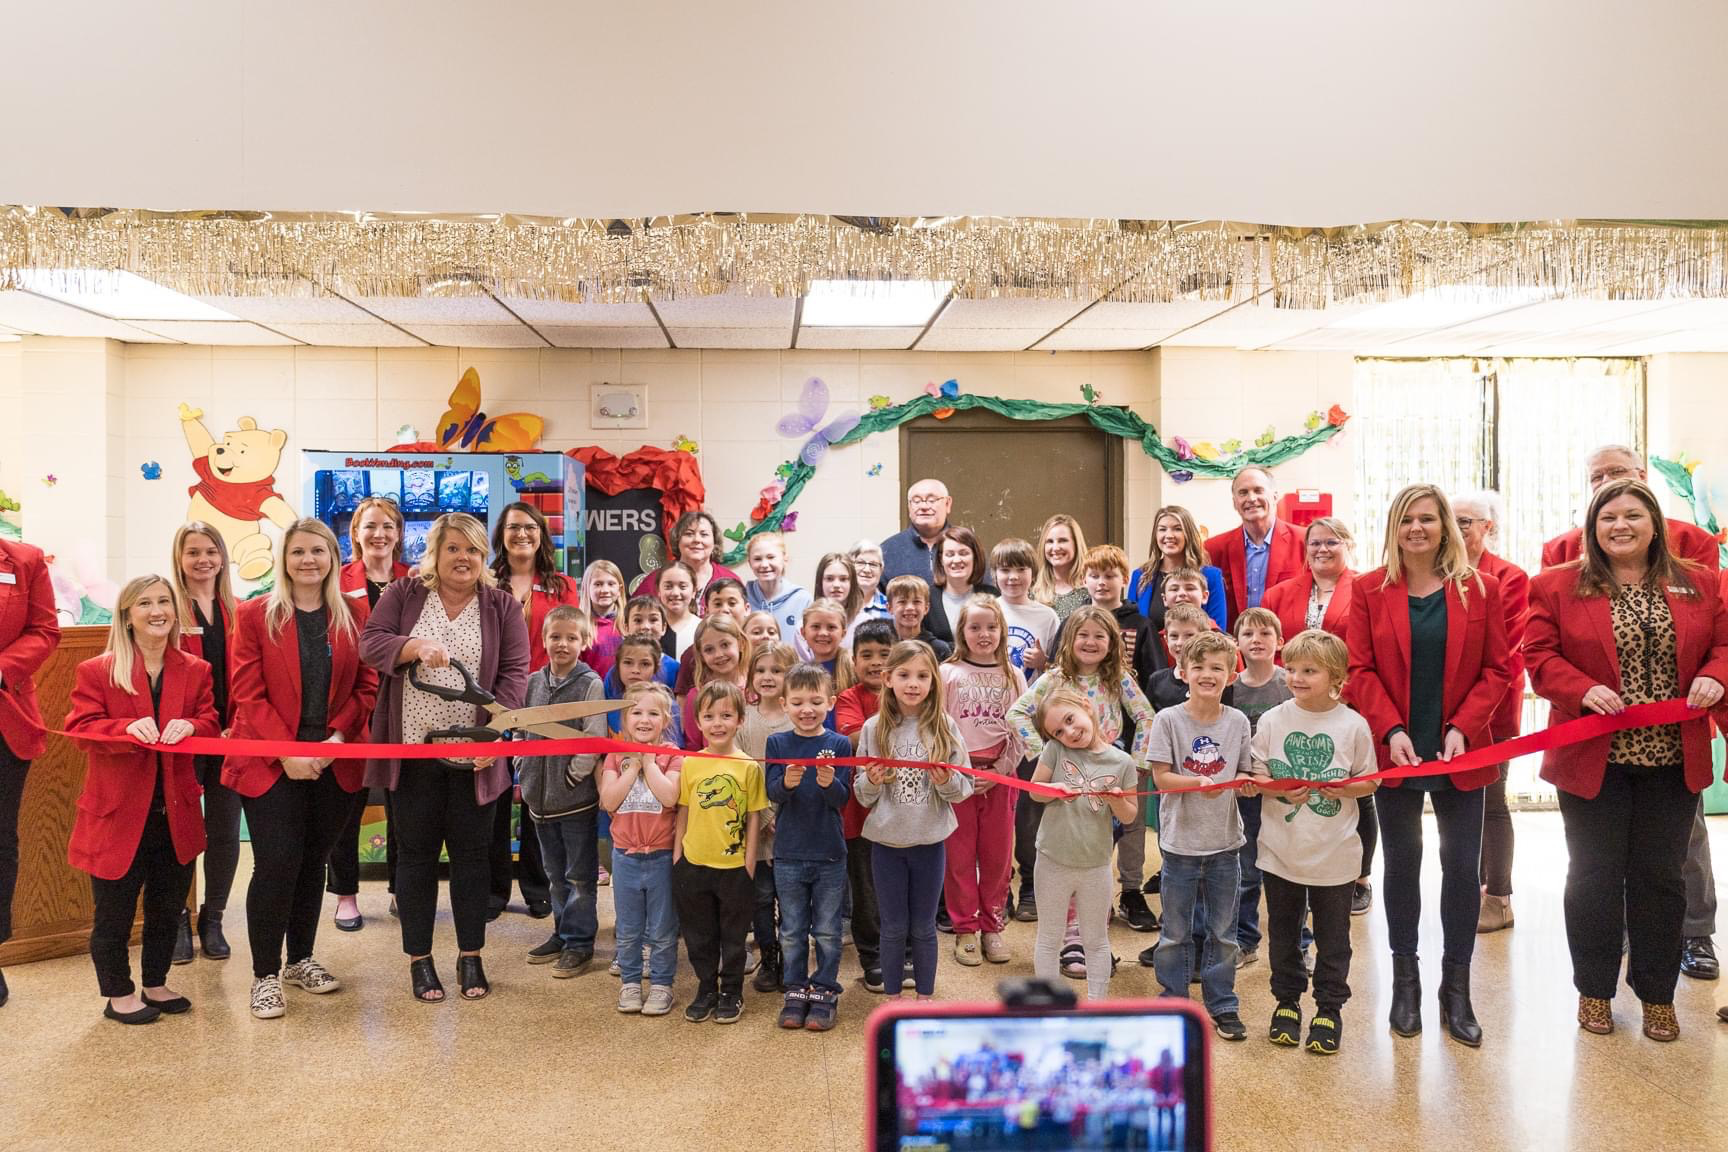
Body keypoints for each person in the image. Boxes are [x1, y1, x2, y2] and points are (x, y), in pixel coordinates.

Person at [1524, 478, 1728, 1041]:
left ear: (1655, 523)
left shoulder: (1700, 583)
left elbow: (1724, 646)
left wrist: (1714, 675)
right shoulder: (1557, 586)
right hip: (1594, 762)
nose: (1621, 526)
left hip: (1672, 760)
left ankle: (1658, 994)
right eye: (1608, 517)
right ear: (1592, 527)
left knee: (1660, 879)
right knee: (1593, 876)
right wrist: (1582, 689)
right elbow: (1538, 657)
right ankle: (1594, 991)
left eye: (1633, 515)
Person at [1345, 483, 1511, 1048]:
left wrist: (1464, 725)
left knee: (1463, 868)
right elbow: (1360, 670)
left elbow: (1499, 670)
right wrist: (1389, 730)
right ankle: (1406, 981)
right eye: (1406, 520)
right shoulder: (1369, 589)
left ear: (1445, 526)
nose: (1417, 528)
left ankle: (1457, 987)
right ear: (1393, 528)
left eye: (1427, 519)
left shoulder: (1478, 589)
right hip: (1398, 755)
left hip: (1461, 752)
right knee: (1403, 864)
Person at [361, 511, 530, 1004]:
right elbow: (370, 644)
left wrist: (494, 738)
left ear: (485, 558)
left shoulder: (501, 606)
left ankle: (470, 954)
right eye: (454, 548)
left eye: (474, 550)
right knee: (414, 858)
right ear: (434, 552)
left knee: (473, 858)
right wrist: (412, 646)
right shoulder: (404, 594)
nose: (464, 558)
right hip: (413, 751)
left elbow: (515, 676)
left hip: (475, 757)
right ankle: (419, 960)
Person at [226, 520, 378, 1019]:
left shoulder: (355, 614)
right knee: (276, 863)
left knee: (314, 860)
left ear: (333, 558)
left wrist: (335, 740)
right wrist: (288, 752)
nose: (308, 560)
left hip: (335, 758)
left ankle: (301, 959)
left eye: (318, 551)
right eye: (297, 551)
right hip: (273, 761)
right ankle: (264, 975)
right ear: (283, 558)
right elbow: (247, 694)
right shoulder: (254, 616)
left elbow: (367, 685)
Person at [64, 575, 219, 1024]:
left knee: (167, 908)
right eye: (145, 603)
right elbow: (81, 729)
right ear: (128, 615)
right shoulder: (97, 670)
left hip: (175, 812)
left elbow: (210, 720)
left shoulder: (196, 670)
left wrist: (192, 727)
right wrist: (123, 730)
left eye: (164, 601)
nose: (157, 611)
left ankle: (155, 982)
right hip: (116, 816)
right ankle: (117, 993)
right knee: (113, 913)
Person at [1249, 628, 1378, 1055]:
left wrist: (1349, 789)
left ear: (1337, 677)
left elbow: (1371, 780)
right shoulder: (1272, 719)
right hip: (1280, 851)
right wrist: (1279, 789)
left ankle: (1329, 1007)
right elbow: (1257, 775)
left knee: (1333, 936)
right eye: (1292, 669)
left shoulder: (1352, 725)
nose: (1297, 677)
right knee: (1284, 933)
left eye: (1310, 670)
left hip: (1336, 855)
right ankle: (1286, 1001)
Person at [1008, 606, 1155, 968]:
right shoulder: (1055, 678)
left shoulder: (1118, 677)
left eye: (1099, 636)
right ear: (1069, 640)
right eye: (1082, 635)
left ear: (1112, 643)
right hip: (1070, 777)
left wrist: (1137, 764)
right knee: (1071, 851)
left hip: (1108, 773)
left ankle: (1093, 936)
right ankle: (1072, 941)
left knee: (1098, 855)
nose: (1090, 642)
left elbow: (1146, 716)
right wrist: (1046, 755)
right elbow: (1018, 712)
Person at [1260, 516, 1374, 913]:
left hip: (1348, 703)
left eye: (1332, 542)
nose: (1322, 549)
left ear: (1349, 545)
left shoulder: (1367, 588)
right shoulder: (1280, 593)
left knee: (1350, 787)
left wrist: (1343, 696)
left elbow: (1368, 651)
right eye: (1314, 544)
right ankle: (1294, 868)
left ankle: (1357, 877)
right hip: (1294, 704)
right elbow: (1271, 647)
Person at [1147, 629, 1255, 1041]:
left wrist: (1244, 781)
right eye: (1199, 667)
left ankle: (1223, 1003)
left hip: (1227, 844)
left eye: (1217, 667)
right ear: (1182, 671)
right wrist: (1199, 783)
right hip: (1180, 847)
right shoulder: (1168, 720)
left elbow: (1244, 769)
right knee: (1175, 931)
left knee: (1223, 932)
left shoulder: (1238, 721)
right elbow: (1161, 777)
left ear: (1230, 675)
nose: (1207, 674)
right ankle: (1173, 998)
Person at [856, 641, 973, 1000]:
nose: (913, 683)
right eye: (904, 675)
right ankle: (892, 1000)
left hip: (930, 843)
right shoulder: (873, 729)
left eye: (922, 676)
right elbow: (861, 795)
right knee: (891, 928)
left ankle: (924, 999)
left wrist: (946, 781)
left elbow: (964, 788)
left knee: (923, 927)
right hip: (886, 845)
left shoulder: (945, 726)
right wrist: (872, 781)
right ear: (888, 679)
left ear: (934, 681)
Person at [490, 501, 577, 922]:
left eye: (529, 527)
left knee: (537, 796)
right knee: (492, 791)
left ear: (542, 533)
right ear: (500, 535)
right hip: (492, 699)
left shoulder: (562, 586)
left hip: (545, 700)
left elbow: (573, 639)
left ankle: (537, 886)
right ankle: (493, 889)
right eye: (513, 528)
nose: (521, 534)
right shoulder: (486, 582)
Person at [514, 604, 611, 977]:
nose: (563, 644)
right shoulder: (533, 682)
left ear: (584, 641)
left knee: (579, 877)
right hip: (538, 799)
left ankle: (580, 943)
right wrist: (521, 768)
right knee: (554, 875)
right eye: (556, 636)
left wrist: (573, 777)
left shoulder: (590, 684)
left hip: (574, 802)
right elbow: (520, 728)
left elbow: (593, 738)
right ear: (544, 639)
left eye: (572, 637)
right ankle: (560, 932)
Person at [329, 497, 410, 933]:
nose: (379, 534)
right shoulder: (337, 581)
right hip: (354, 702)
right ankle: (346, 895)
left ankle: (401, 888)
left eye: (388, 526)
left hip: (404, 704)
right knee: (347, 801)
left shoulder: (415, 580)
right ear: (356, 534)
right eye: (370, 526)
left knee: (404, 801)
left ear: (398, 534)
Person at [1451, 491, 1530, 934]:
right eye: (1454, 520)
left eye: (1468, 521)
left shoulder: (1510, 577)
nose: (1459, 529)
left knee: (1493, 801)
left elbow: (1506, 648)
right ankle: (1472, 888)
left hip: (1493, 709)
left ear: (1489, 527)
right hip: (1444, 711)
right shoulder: (1438, 572)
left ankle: (1499, 896)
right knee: (1463, 801)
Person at [1027, 686, 1137, 1001]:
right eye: (1058, 731)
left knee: (1096, 939)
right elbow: (1035, 790)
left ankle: (1097, 1004)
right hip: (1052, 859)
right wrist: (1055, 789)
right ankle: (1046, 1003)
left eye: (1071, 720)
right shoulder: (1055, 752)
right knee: (1049, 937)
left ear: (1086, 706)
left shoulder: (1122, 762)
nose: (1069, 732)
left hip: (1096, 864)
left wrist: (1116, 801)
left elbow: (1129, 817)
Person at [765, 663, 854, 1031]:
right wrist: (785, 783)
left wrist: (830, 782)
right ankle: (796, 988)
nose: (807, 710)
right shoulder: (777, 743)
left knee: (829, 930)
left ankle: (825, 989)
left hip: (830, 854)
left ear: (830, 702)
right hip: (788, 854)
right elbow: (771, 793)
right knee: (792, 928)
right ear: (784, 704)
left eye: (816, 702)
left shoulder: (839, 744)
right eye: (798, 702)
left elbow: (842, 799)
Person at [674, 680, 769, 1024]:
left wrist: (748, 865)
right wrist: (677, 857)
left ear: (740, 720)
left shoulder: (748, 767)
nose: (718, 723)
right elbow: (683, 810)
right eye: (710, 716)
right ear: (698, 722)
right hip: (693, 863)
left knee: (733, 935)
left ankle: (731, 990)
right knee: (699, 934)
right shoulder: (690, 764)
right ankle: (705, 987)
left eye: (726, 715)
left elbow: (754, 817)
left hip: (733, 867)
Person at [940, 595, 1026, 967]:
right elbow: (938, 726)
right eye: (974, 627)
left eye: (991, 627)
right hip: (959, 775)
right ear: (962, 631)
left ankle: (992, 926)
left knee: (996, 855)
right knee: (958, 856)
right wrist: (957, 768)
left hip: (999, 775)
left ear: (1002, 630)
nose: (984, 634)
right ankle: (964, 930)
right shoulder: (947, 672)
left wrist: (1001, 770)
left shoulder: (1013, 673)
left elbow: (1023, 730)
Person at [170, 521, 242, 960]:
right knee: (178, 831)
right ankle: (177, 915)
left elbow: (252, 676)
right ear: (179, 558)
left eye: (211, 551)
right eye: (193, 552)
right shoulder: (167, 607)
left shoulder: (240, 609)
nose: (203, 560)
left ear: (222, 557)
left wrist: (240, 723)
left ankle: (211, 917)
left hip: (233, 737)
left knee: (225, 831)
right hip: (183, 737)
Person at [598, 683, 684, 1017]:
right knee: (629, 928)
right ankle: (631, 983)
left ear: (665, 719)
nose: (643, 719)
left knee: (662, 929)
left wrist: (648, 763)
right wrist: (631, 765)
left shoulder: (673, 755)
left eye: (652, 713)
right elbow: (609, 800)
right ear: (624, 718)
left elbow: (669, 797)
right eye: (636, 712)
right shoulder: (615, 755)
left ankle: (662, 985)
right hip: (626, 857)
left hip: (661, 855)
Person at [0, 534, 57, 1008]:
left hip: (5, 719)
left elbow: (44, 630)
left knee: (1, 841)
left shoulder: (23, 560)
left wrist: (2, 667)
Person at [1229, 607, 1294, 969]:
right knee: (1247, 870)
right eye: (1248, 634)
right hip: (1247, 796)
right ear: (1237, 643)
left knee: (1289, 868)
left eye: (1265, 633)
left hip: (1285, 794)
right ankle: (1245, 939)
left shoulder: (1289, 683)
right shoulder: (1230, 688)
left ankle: (1299, 941)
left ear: (1279, 642)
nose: (1256, 640)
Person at [835, 618, 894, 993]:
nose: (875, 662)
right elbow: (854, 739)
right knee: (866, 888)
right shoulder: (848, 698)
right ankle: (871, 955)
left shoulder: (909, 692)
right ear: (854, 660)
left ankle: (901, 950)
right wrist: (896, 726)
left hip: (905, 812)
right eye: (866, 655)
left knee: (898, 886)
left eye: (885, 655)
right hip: (860, 813)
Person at [739, 641, 796, 992]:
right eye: (760, 670)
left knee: (789, 897)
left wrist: (780, 813)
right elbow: (744, 774)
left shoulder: (797, 719)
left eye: (776, 670)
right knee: (760, 897)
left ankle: (791, 957)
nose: (768, 677)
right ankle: (769, 956)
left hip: (791, 825)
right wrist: (762, 813)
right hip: (757, 826)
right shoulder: (745, 721)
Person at [1204, 466, 1306, 628]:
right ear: (1235, 503)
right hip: (1233, 648)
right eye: (1243, 493)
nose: (1251, 498)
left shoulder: (1304, 541)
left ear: (1274, 496)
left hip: (1288, 648)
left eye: (1258, 490)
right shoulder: (1213, 549)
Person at [1129, 506, 1227, 632]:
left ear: (1189, 534)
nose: (1169, 535)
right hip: (1150, 651)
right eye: (1162, 529)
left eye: (1177, 529)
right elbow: (1132, 628)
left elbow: (1218, 630)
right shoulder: (1140, 576)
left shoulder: (1211, 576)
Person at [634, 510, 741, 606]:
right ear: (677, 540)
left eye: (704, 534)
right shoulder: (656, 580)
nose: (697, 540)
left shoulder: (729, 579)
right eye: (689, 534)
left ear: (714, 542)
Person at [681, 614, 751, 751]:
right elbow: (693, 748)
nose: (719, 654)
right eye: (709, 649)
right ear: (701, 655)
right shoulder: (695, 697)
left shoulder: (754, 688)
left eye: (725, 645)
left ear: (741, 644)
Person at [922, 526, 1001, 647]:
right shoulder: (926, 597)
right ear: (941, 559)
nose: (957, 560)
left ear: (975, 557)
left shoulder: (993, 596)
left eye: (963, 553)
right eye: (950, 554)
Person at [991, 538, 1058, 677]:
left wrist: (1043, 662)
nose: (1013, 576)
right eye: (1005, 570)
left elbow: (1061, 668)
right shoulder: (986, 611)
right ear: (994, 574)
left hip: (1035, 697)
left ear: (1033, 574)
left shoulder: (1047, 616)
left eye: (1021, 569)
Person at [743, 532, 811, 645]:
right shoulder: (742, 597)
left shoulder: (803, 599)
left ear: (785, 559)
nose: (764, 564)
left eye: (771, 557)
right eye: (757, 559)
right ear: (750, 563)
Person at [880, 478, 952, 585]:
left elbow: (983, 595)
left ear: (947, 504)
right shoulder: (888, 550)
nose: (923, 506)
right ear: (909, 506)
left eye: (931, 500)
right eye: (916, 501)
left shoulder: (966, 545)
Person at [1031, 514, 1091, 622]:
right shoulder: (1032, 590)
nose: (1055, 547)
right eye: (1049, 541)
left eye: (1062, 540)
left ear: (1076, 544)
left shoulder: (1091, 588)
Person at [578, 559, 626, 680]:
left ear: (620, 590)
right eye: (598, 584)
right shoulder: (579, 626)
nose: (605, 590)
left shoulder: (628, 623)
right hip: (591, 693)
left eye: (611, 584)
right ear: (586, 588)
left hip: (624, 694)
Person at [887, 574, 952, 661]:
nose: (910, 607)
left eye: (916, 601)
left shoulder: (939, 649)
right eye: (902, 602)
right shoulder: (880, 645)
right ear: (889, 608)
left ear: (926, 608)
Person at [813, 551, 867, 641]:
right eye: (829, 579)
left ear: (852, 583)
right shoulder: (806, 625)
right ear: (820, 582)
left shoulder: (865, 623)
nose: (836, 585)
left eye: (843, 579)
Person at [656, 561, 700, 657]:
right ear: (659, 591)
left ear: (694, 591)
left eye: (682, 587)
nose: (675, 593)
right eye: (668, 586)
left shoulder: (703, 628)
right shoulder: (651, 628)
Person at [848, 540, 892, 623]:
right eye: (860, 563)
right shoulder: (837, 604)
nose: (867, 570)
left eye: (873, 564)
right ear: (849, 566)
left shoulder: (891, 609)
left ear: (881, 570)